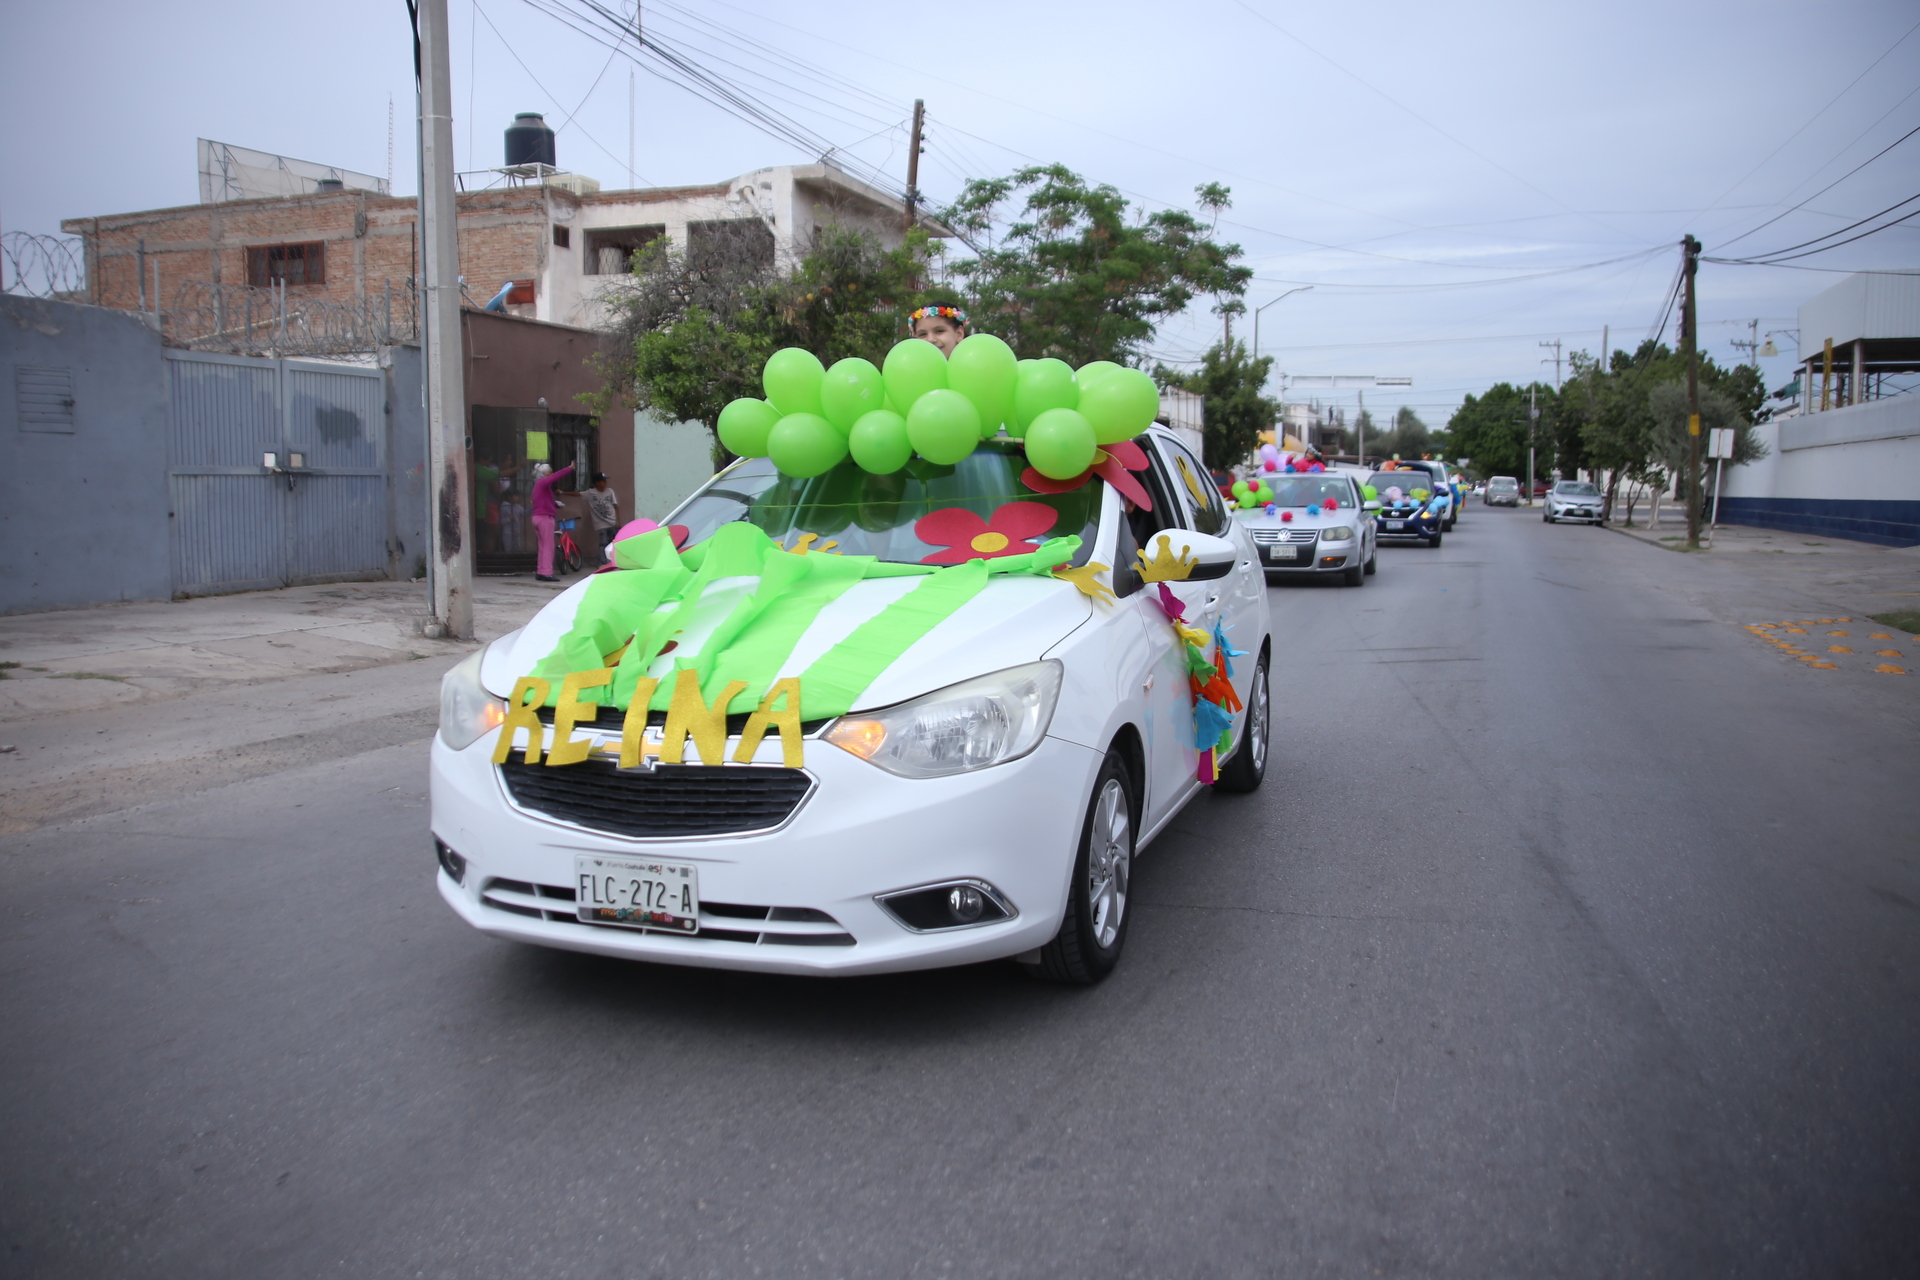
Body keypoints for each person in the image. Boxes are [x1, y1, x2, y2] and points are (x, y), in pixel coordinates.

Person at [529, 461, 573, 581]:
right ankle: (547, 572)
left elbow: (544, 502)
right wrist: (568, 469)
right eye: (550, 472)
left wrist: (556, 505)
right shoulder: (543, 482)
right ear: (544, 473)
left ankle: (541, 570)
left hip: (537, 517)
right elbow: (555, 477)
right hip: (545, 518)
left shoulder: (538, 486)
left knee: (542, 546)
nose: (552, 474)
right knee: (548, 546)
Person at [582, 471, 620, 561]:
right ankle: (604, 561)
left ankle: (615, 560)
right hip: (600, 524)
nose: (605, 483)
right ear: (597, 483)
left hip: (612, 522)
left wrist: (618, 521)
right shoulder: (590, 493)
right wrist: (562, 492)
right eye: (603, 481)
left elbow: (615, 506)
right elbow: (578, 494)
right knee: (603, 542)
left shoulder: (610, 491)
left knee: (614, 541)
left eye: (605, 481)